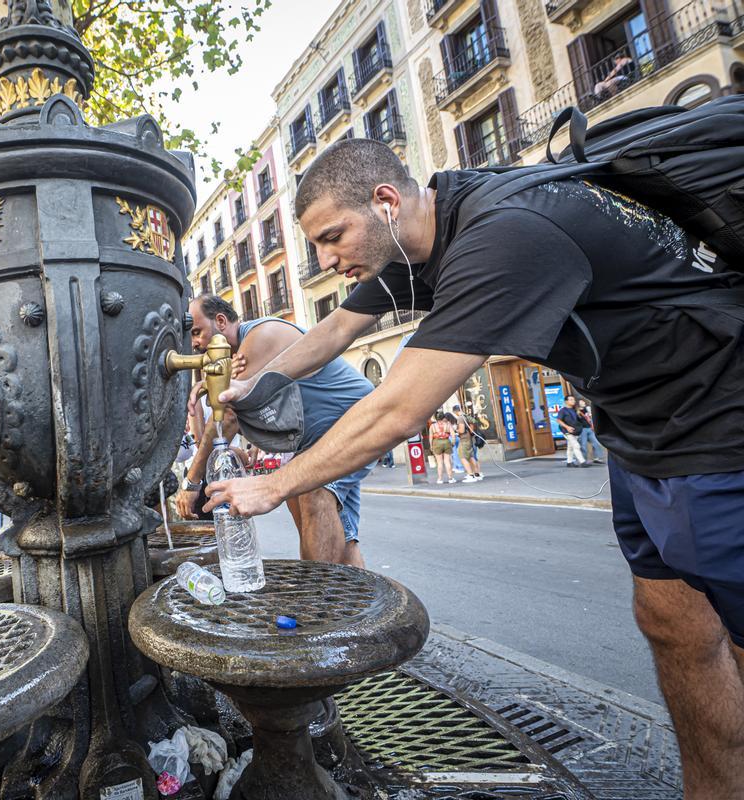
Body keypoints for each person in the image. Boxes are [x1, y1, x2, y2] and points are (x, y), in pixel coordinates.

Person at [207, 136, 744, 798]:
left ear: (385, 201)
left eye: (332, 237)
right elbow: (335, 332)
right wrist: (254, 386)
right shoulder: (424, 236)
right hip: (638, 424)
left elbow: (398, 410)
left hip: (719, 416)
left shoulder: (502, 237)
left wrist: (275, 484)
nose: (323, 259)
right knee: (673, 624)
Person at [176, 295, 375, 567]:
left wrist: (192, 481)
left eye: (197, 333)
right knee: (341, 532)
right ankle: (358, 603)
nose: (195, 344)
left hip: (355, 420)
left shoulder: (260, 336)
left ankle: (318, 603)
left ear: (221, 321)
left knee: (313, 492)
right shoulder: (237, 359)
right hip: (318, 438)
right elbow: (260, 404)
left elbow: (229, 416)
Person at [556, 395, 588, 468]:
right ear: (566, 401)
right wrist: (567, 427)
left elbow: (580, 420)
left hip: (574, 431)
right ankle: (582, 462)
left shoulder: (575, 410)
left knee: (570, 447)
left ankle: (569, 462)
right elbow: (558, 420)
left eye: (573, 399)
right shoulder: (563, 410)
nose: (573, 401)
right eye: (571, 400)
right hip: (567, 431)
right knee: (576, 445)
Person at [452, 403, 482, 481]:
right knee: (471, 457)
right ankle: (477, 474)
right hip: (469, 439)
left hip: (464, 439)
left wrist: (456, 430)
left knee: (463, 457)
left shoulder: (460, 418)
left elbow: (461, 430)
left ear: (455, 411)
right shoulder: (466, 416)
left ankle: (470, 475)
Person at [428, 412, 457, 484]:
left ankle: (440, 479)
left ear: (436, 418)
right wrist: (453, 443)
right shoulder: (448, 425)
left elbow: (431, 437)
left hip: (437, 443)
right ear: (444, 417)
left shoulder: (432, 426)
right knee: (447, 461)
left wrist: (431, 446)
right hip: (446, 442)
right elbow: (453, 435)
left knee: (439, 462)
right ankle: (450, 478)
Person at [577, 399, 606, 464]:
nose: (583, 402)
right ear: (578, 404)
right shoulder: (577, 411)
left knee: (596, 443)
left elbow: (591, 418)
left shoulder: (587, 409)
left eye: (583, 401)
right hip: (583, 429)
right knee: (583, 445)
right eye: (581, 402)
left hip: (590, 428)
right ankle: (583, 460)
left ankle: (597, 458)